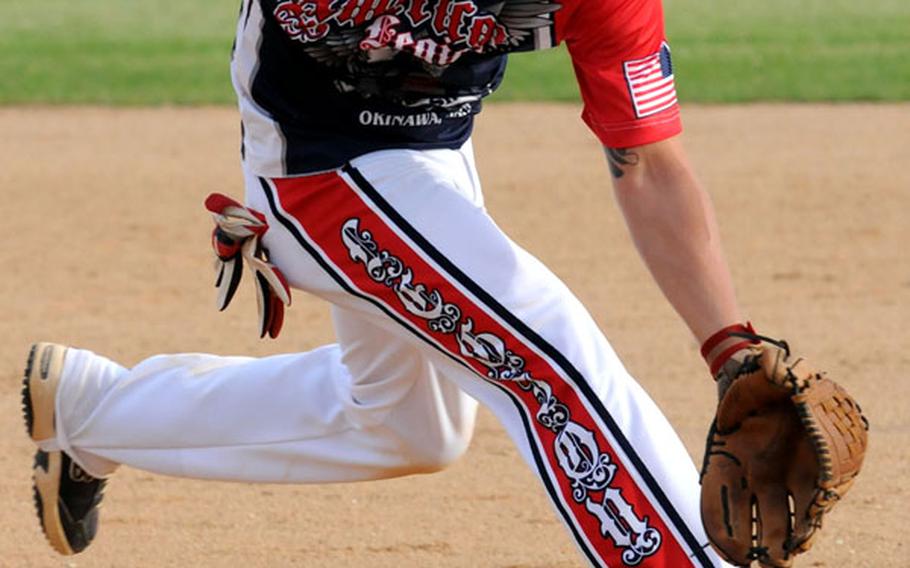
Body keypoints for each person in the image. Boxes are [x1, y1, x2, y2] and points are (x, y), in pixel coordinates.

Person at [23, 0, 763, 565]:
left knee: (409, 428)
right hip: (316, 166)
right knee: (543, 351)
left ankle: (98, 413)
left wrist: (729, 347)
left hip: (431, 154)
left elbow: (650, 165)